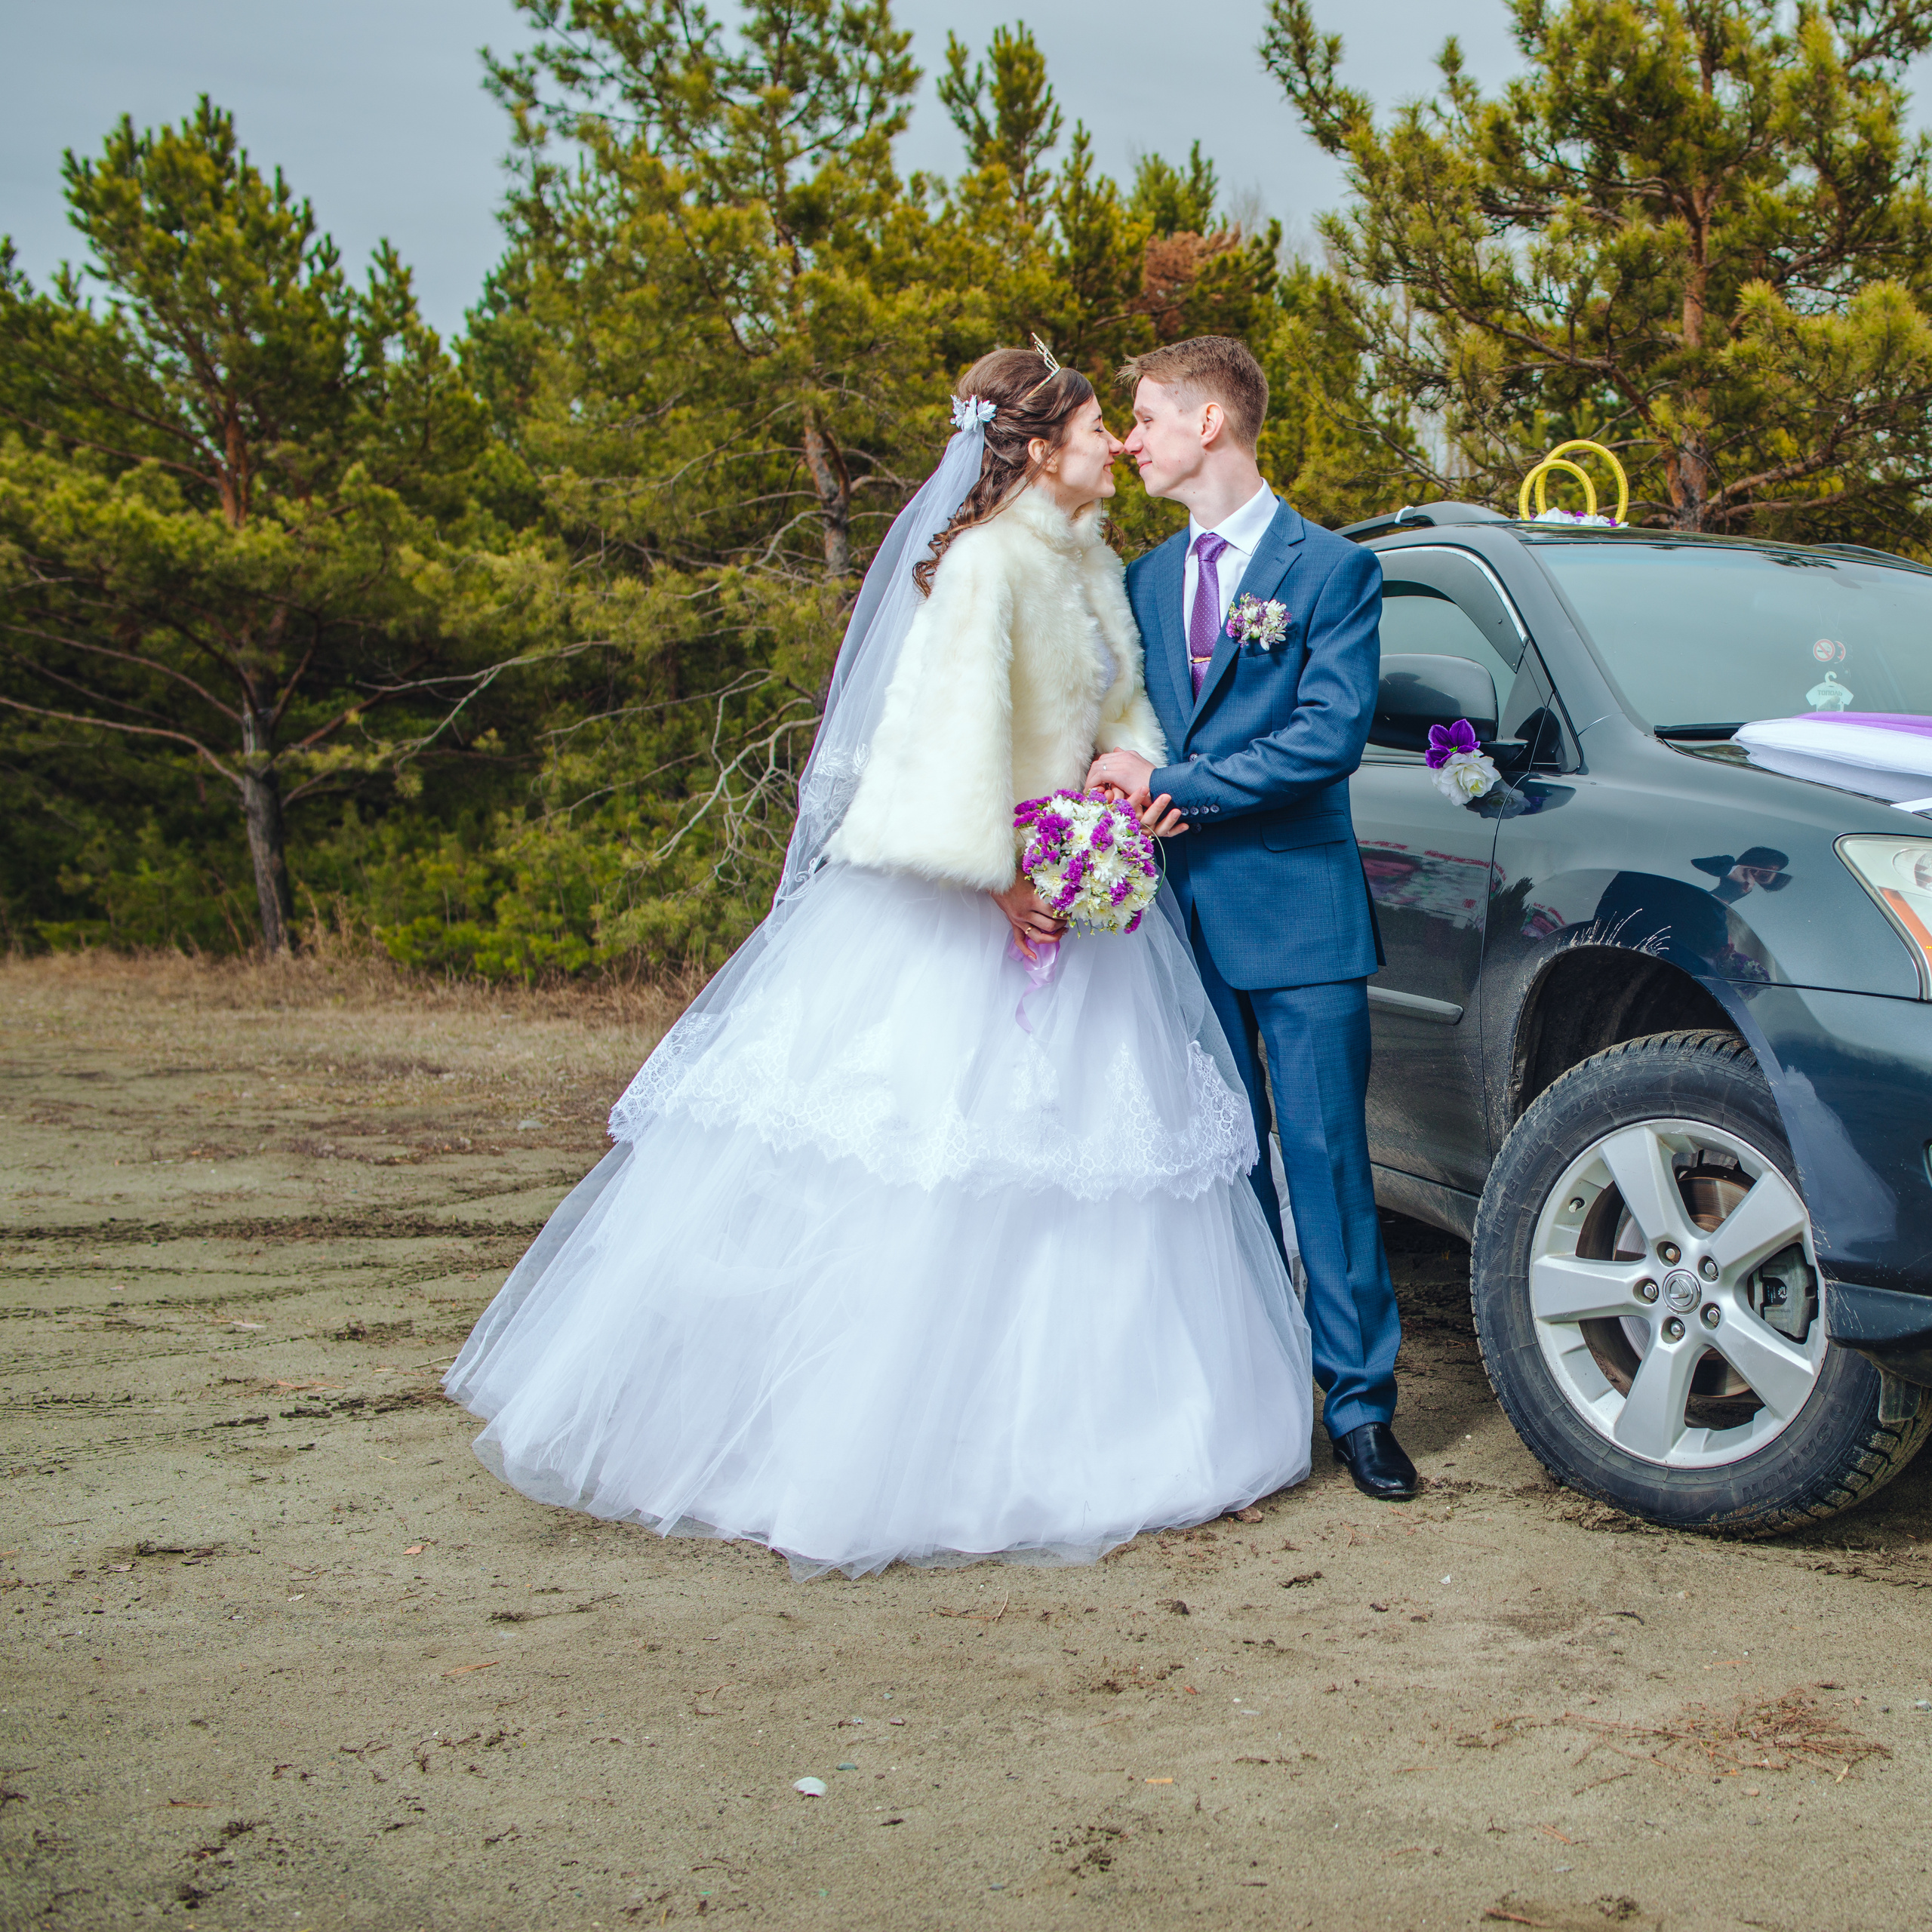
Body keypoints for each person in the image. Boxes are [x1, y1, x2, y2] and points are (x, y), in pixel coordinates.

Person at [445, 345, 1314, 1579]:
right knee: (934, 1167)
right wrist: (1011, 877)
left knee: (1089, 1173)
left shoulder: (1087, 567)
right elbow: (935, 762)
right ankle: (861, 1452)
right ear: (1033, 448)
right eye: (1090, 429)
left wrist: (1116, 813)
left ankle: (1103, 1438)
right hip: (969, 911)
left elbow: (1120, 715)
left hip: (1083, 915)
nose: (1115, 447)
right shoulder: (983, 567)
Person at [1088, 335, 1416, 1501]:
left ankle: (1362, 1407)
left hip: (1301, 912)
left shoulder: (1332, 571)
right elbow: (1126, 726)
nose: (1132, 440)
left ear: (1211, 422)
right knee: (1214, 1164)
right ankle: (1247, 1392)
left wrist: (1179, 789)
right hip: (1172, 927)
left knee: (1324, 1161)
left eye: (1145, 417)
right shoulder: (1135, 580)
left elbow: (1328, 737)